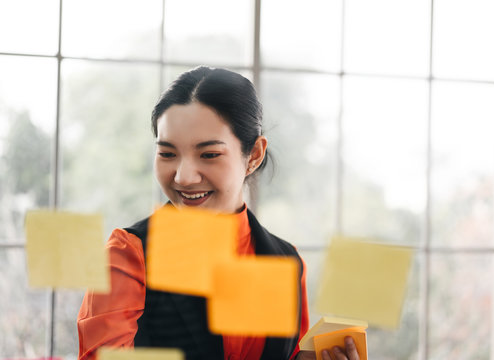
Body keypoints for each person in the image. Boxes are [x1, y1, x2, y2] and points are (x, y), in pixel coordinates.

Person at [77, 66, 360, 360]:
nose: (184, 177)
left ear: (254, 156)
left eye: (209, 154)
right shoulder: (128, 255)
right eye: (167, 153)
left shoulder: (286, 261)